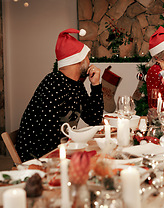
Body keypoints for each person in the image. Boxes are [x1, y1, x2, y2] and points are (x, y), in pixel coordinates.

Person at [16, 29, 104, 162]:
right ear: (78, 60)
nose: (89, 60)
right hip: (39, 158)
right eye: (86, 56)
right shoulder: (53, 84)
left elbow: (94, 119)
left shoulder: (76, 85)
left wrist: (96, 85)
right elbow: (47, 134)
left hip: (61, 152)